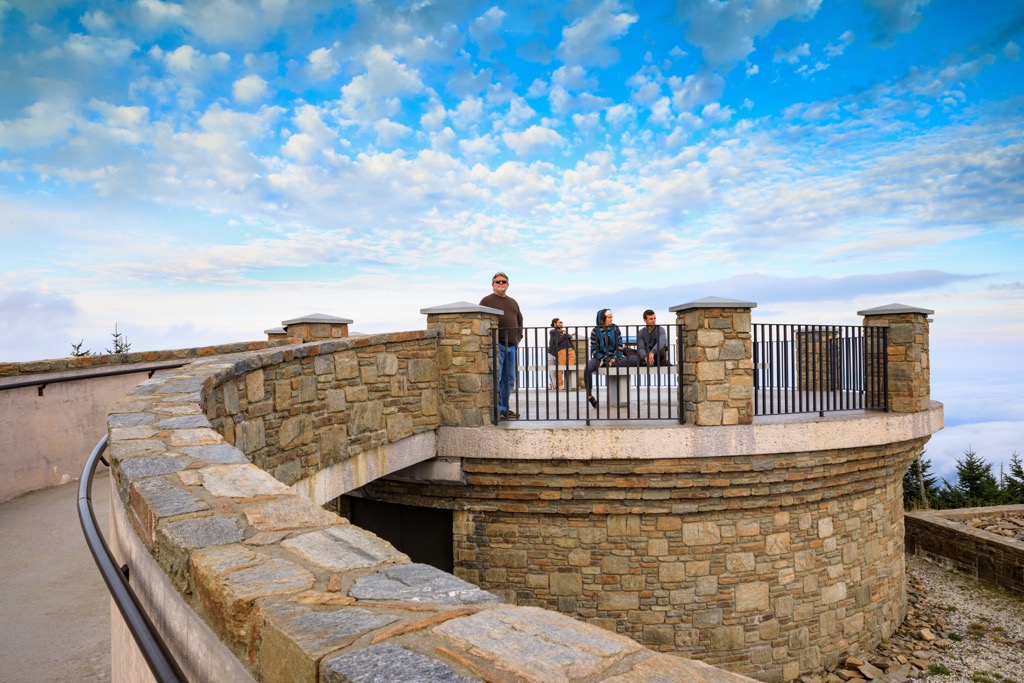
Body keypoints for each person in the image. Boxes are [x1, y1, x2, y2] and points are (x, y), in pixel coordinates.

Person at [480, 271, 523, 419]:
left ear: (508, 285)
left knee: (509, 379)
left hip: (512, 347)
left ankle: (504, 409)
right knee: (496, 378)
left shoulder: (513, 302)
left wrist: (519, 337)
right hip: (498, 346)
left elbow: (519, 320)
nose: (501, 284)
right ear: (492, 284)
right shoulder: (486, 301)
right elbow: (481, 320)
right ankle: (495, 410)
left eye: (503, 282)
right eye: (498, 282)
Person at [584, 308, 638, 408]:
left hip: (615, 358)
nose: (611, 319)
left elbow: (620, 345)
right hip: (600, 358)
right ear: (602, 319)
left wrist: (614, 358)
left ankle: (644, 360)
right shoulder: (595, 331)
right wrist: (605, 359)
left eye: (612, 317)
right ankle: (589, 396)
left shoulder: (615, 328)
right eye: (609, 317)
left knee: (629, 361)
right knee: (587, 369)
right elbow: (594, 349)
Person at [547, 318, 576, 390]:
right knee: (554, 370)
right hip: (553, 353)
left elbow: (570, 336)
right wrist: (564, 335)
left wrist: (564, 334)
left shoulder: (562, 331)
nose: (561, 324)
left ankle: (569, 385)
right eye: (559, 322)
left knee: (569, 368)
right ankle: (557, 385)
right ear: (554, 324)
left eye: (561, 323)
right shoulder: (553, 331)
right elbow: (557, 341)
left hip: (565, 351)